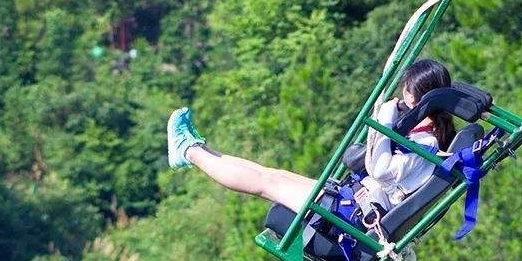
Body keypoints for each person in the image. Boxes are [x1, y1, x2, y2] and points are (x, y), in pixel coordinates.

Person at [166, 59, 457, 217]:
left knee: (265, 182)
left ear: (412, 96)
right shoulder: (426, 136)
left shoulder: (426, 144)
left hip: (356, 214)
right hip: (356, 199)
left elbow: (379, 168)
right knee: (271, 174)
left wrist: (385, 119)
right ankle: (196, 147)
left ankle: (188, 151)